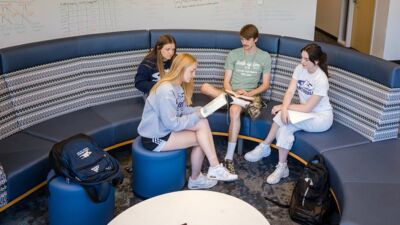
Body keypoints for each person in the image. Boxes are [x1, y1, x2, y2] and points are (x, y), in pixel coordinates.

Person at [137, 53, 238, 190]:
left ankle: (206, 173)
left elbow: (181, 109)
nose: (194, 75)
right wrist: (197, 115)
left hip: (166, 131)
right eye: (192, 71)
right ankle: (206, 172)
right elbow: (172, 124)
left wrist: (200, 110)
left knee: (202, 133)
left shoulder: (177, 87)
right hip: (155, 137)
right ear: (180, 69)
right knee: (201, 131)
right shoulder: (165, 90)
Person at [244, 43, 333, 184]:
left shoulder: (321, 79)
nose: (301, 62)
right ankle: (282, 167)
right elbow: (290, 90)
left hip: (320, 118)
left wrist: (283, 108)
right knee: (284, 127)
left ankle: (265, 146)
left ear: (315, 61)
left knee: (282, 117)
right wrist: (284, 108)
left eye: (305, 59)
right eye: (301, 58)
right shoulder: (300, 68)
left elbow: (308, 108)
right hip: (304, 114)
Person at [200, 24, 272, 174]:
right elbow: (226, 80)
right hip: (231, 93)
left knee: (234, 110)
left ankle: (228, 158)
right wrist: (232, 92)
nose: (244, 43)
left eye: (247, 40)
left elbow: (265, 85)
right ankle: (235, 100)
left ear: (256, 39)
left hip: (249, 96)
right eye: (242, 40)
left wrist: (250, 93)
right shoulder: (233, 54)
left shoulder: (264, 57)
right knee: (204, 87)